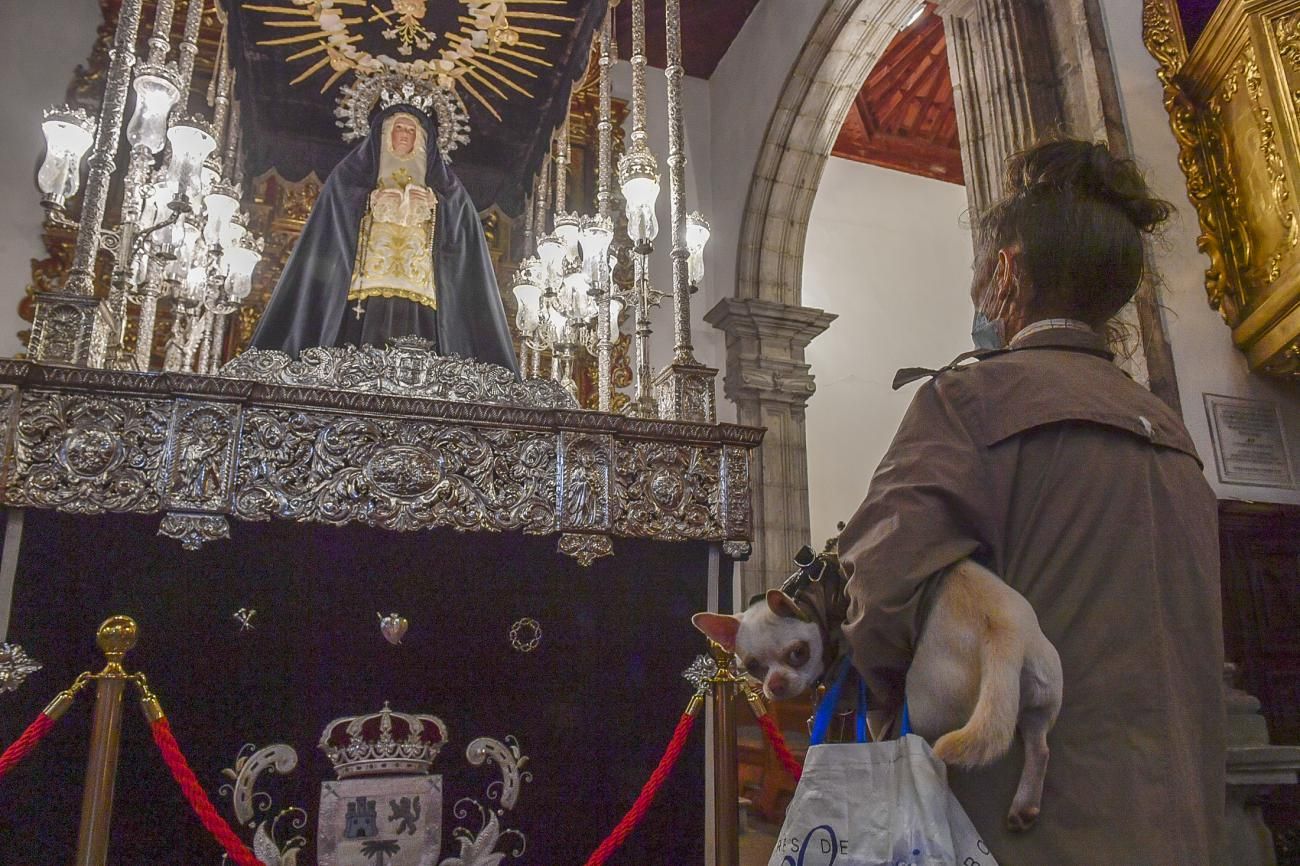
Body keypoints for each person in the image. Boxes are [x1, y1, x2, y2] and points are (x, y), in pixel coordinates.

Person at [838, 139, 1224, 864]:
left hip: (1023, 825)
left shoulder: (967, 402)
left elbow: (879, 596)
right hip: (1182, 822)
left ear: (1005, 273)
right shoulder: (1171, 430)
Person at [249, 103, 519, 374]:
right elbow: (335, 208)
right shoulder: (352, 173)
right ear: (384, 134)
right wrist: (368, 200)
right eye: (399, 128)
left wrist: (436, 203)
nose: (404, 134)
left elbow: (465, 227)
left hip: (423, 294)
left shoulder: (446, 186)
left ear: (423, 139)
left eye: (411, 130)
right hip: (363, 292)